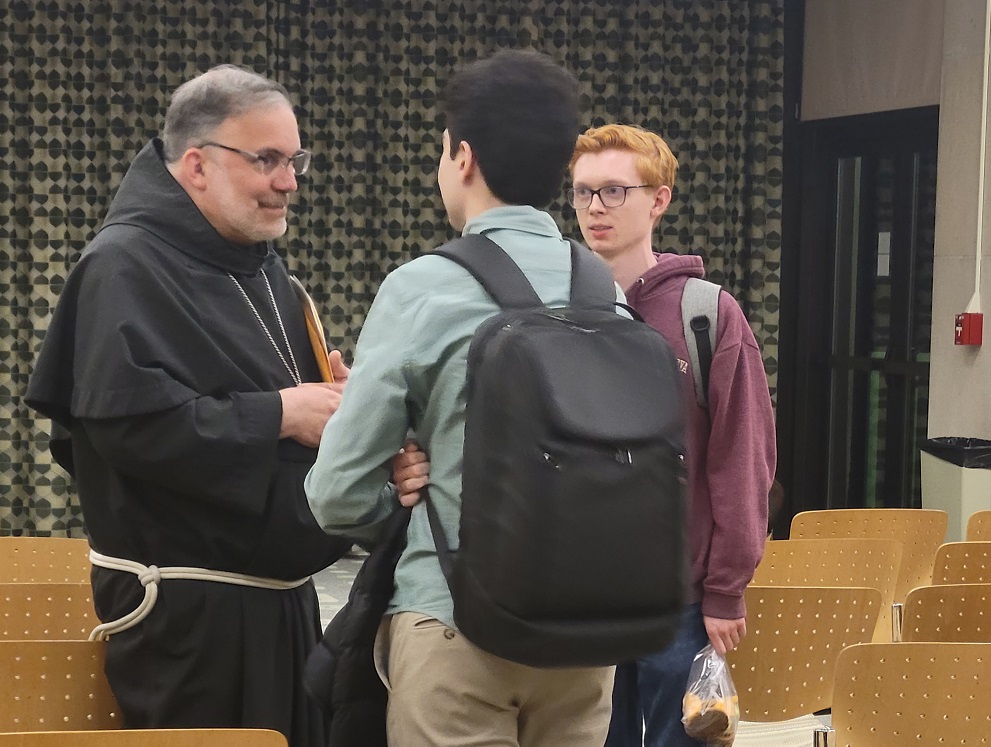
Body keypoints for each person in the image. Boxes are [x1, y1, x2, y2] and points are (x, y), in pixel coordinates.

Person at [25, 64, 422, 747]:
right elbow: (130, 428)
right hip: (188, 618)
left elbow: (299, 417)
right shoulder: (123, 265)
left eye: (295, 159)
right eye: (267, 159)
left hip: (281, 604)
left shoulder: (263, 267)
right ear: (197, 164)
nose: (290, 180)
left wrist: (357, 423)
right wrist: (282, 413)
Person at [304, 49, 615, 747]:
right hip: (587, 634)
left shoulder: (424, 287)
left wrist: (402, 495)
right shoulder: (607, 295)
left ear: (463, 157)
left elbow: (335, 495)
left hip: (455, 620)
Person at [569, 124, 776, 747]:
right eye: (582, 193)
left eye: (613, 191)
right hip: (580, 594)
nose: (595, 208)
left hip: (679, 602)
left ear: (658, 199)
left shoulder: (705, 314)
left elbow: (742, 459)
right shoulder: (555, 307)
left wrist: (726, 589)